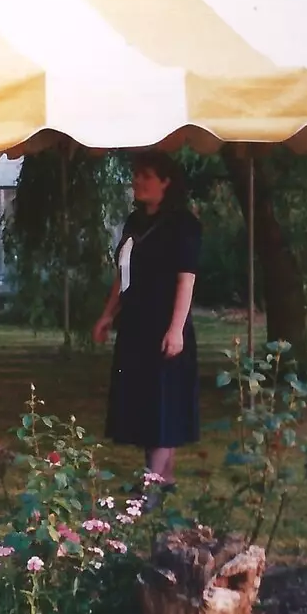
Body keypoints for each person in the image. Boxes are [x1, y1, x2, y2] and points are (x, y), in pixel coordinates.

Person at [92, 152, 201, 488]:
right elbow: (122, 274)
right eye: (137, 175)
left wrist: (176, 329)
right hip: (135, 326)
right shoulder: (134, 223)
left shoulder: (183, 225)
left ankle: (151, 488)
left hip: (164, 325)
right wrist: (109, 314)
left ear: (166, 182)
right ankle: (164, 481)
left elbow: (186, 278)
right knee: (144, 406)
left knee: (163, 407)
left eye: (147, 176)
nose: (138, 182)